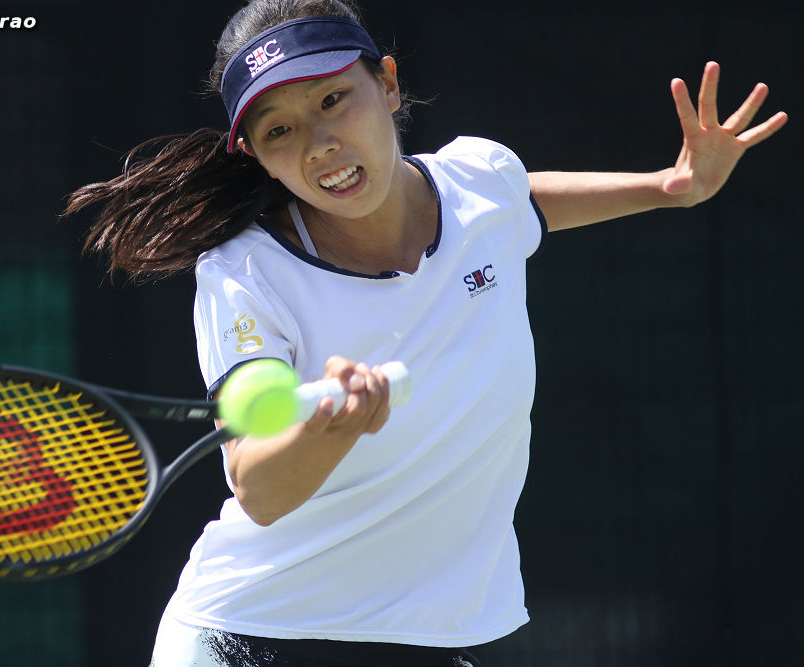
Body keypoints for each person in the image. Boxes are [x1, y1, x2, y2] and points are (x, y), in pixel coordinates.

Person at [64, 2, 787, 665]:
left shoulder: (480, 182)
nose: (318, 145)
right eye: (279, 130)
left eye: (332, 100)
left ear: (388, 84)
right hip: (254, 637)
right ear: (254, 153)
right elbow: (259, 484)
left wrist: (671, 187)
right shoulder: (244, 272)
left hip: (437, 639)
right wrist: (331, 429)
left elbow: (521, 203)